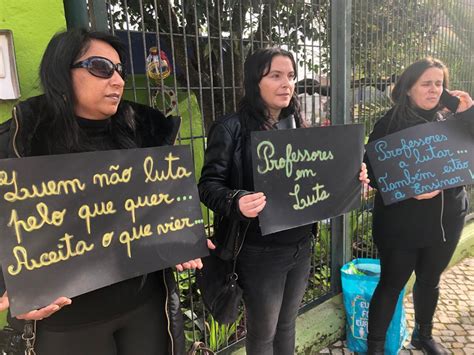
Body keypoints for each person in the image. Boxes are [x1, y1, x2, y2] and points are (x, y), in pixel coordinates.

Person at [0, 28, 208, 355]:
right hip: (68, 323)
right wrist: (7, 287)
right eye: (101, 67)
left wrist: (182, 239)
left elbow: (160, 211)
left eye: (120, 70)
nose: (118, 80)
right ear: (61, 72)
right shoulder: (21, 140)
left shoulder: (145, 132)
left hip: (147, 309)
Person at [198, 47, 369, 355]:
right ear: (255, 81)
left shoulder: (298, 128)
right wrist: (235, 200)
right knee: (263, 333)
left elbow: (319, 181)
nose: (286, 84)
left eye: (290, 76)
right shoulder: (230, 128)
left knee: (288, 324)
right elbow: (208, 185)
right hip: (259, 252)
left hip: (301, 246)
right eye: (275, 75)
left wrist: (353, 179)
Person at [364, 57, 473, 354]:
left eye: (439, 84)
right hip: (403, 223)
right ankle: (375, 347)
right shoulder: (388, 123)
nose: (434, 90)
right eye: (426, 83)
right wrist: (410, 190)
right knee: (391, 283)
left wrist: (469, 113)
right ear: (408, 88)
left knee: (430, 279)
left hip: (446, 218)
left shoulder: (452, 119)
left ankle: (423, 335)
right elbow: (371, 170)